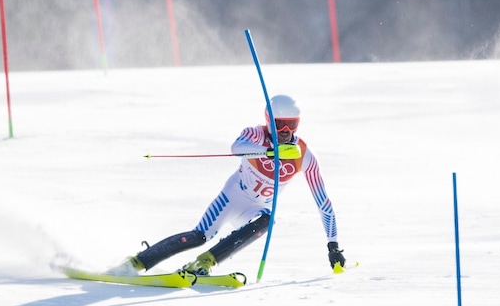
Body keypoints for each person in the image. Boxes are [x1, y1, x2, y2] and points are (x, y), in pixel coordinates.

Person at [113, 94, 346, 276]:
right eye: (279, 125)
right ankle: (136, 262)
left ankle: (203, 263)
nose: (285, 132)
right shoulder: (256, 134)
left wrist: (333, 245)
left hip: (255, 210)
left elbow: (323, 204)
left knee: (268, 220)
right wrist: (269, 151)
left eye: (291, 125)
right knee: (200, 236)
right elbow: (236, 147)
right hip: (233, 197)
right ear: (268, 121)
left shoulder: (304, 155)